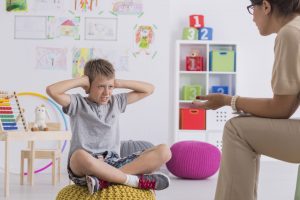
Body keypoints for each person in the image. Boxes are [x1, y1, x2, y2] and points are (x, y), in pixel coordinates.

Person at [192, 0, 300, 199]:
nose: (252, 18)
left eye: (253, 9)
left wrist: (227, 100)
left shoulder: (290, 33)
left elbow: (282, 109)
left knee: (236, 130)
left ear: (266, 7)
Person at [46, 58, 171, 194]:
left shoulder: (116, 102)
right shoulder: (77, 103)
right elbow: (52, 90)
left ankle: (105, 180)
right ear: (88, 86)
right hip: (86, 167)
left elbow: (149, 89)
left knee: (164, 151)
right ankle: (134, 181)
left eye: (110, 87)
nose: (107, 93)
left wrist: (118, 82)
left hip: (113, 162)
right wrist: (82, 80)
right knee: (78, 156)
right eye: (100, 86)